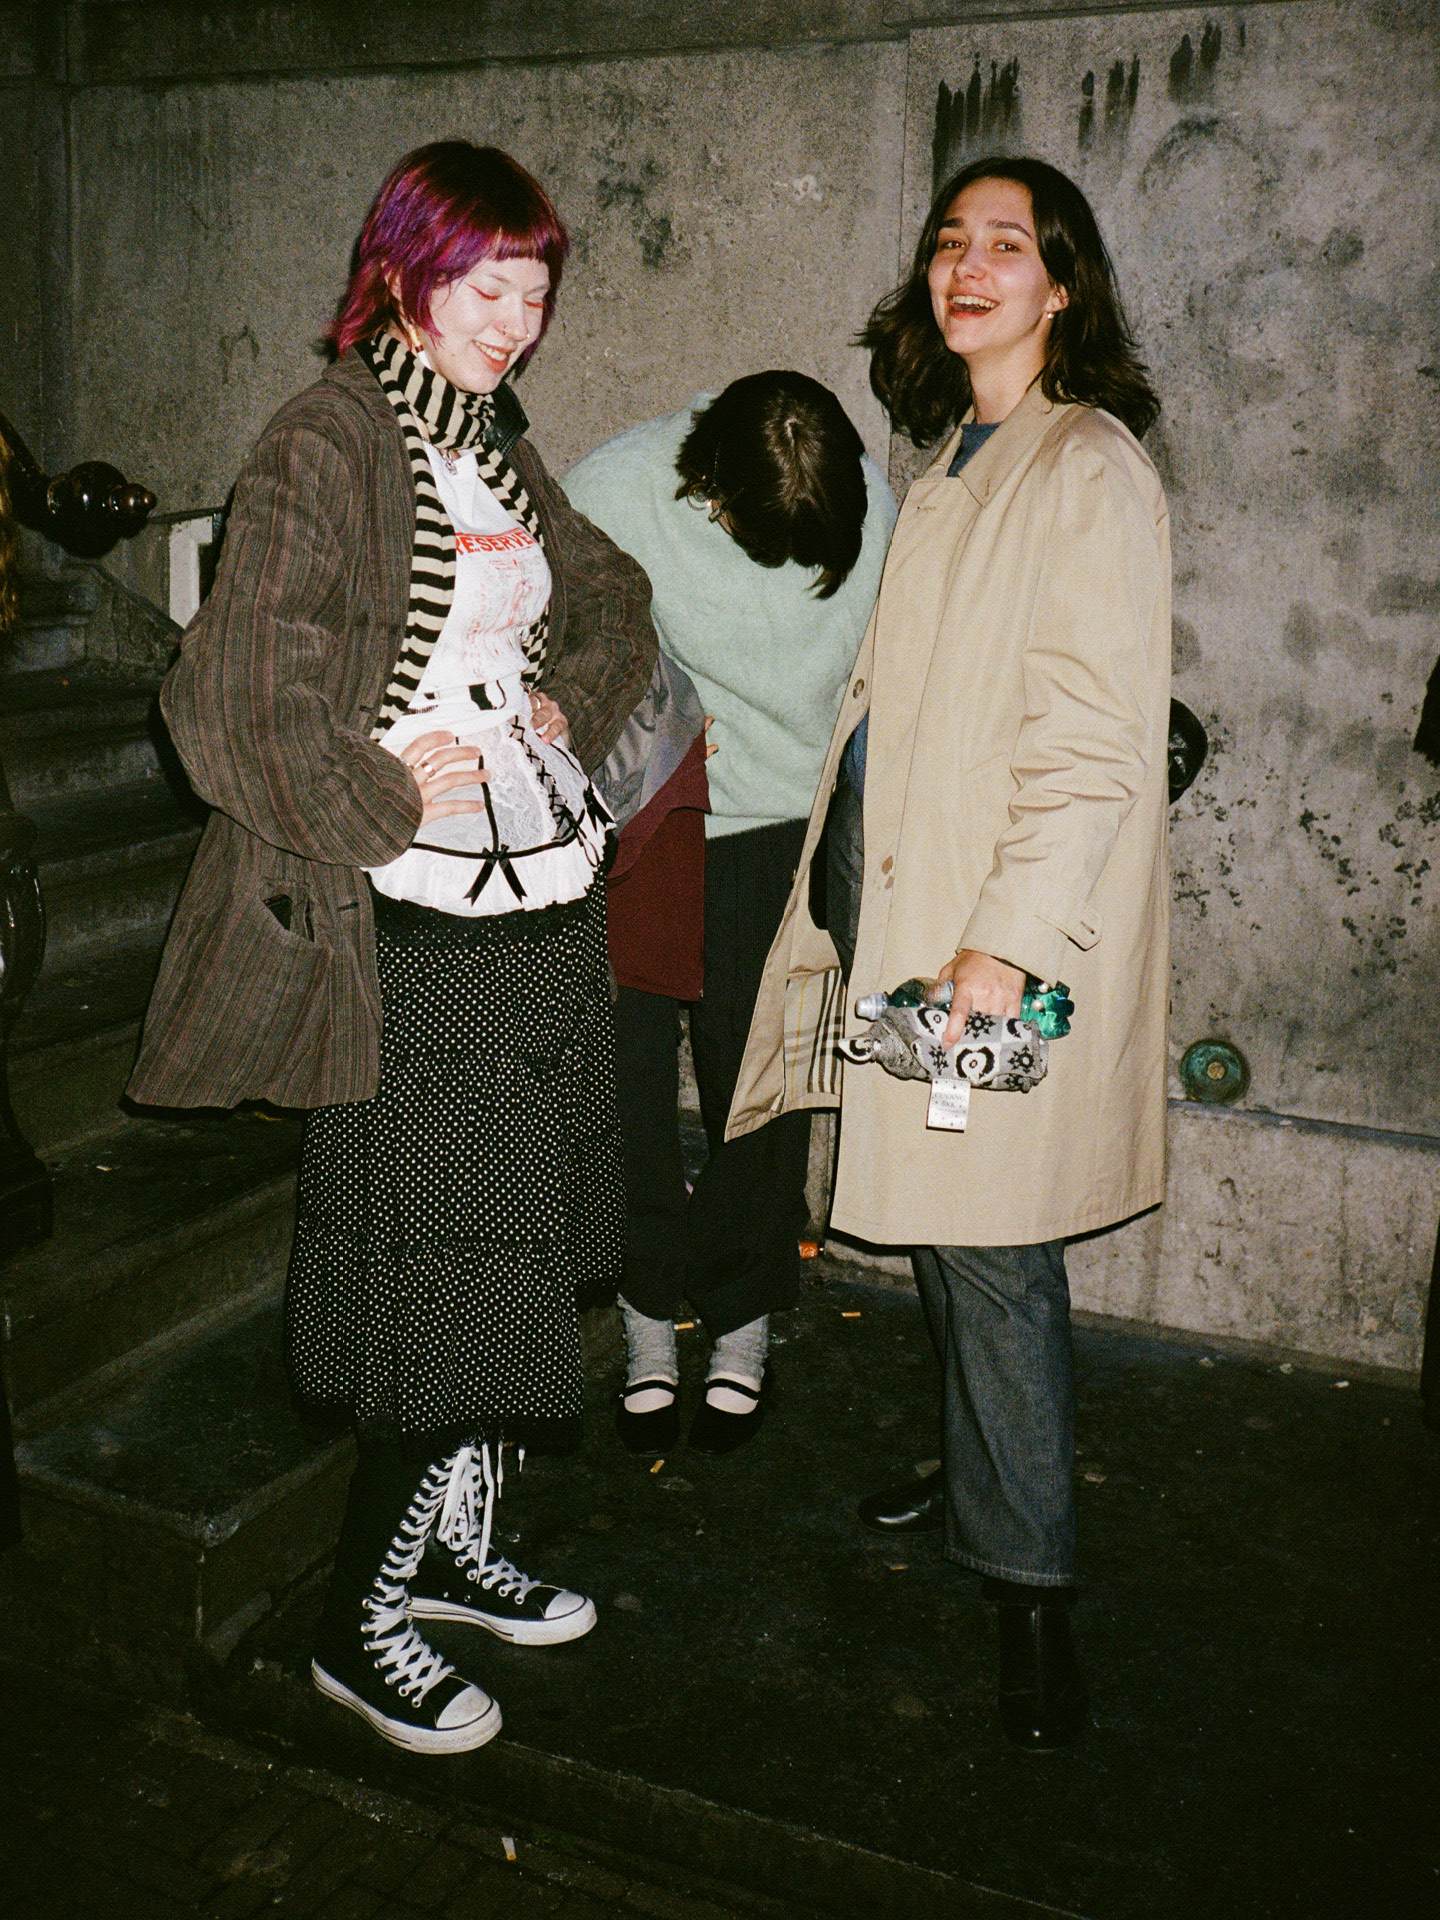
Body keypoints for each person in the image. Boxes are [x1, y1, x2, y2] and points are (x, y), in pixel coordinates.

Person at [127, 142, 656, 1754]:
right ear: (406, 273)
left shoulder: (495, 438)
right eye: (487, 288)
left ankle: (450, 1558)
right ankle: (359, 1626)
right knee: (450, 1281)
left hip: (543, 900)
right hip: (420, 927)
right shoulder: (329, 439)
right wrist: (374, 787)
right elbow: (221, 695)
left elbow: (617, 593)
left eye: (537, 294)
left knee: (521, 1250)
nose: (515, 322)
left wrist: (569, 696)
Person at [727, 158, 1170, 1748]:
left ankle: (1032, 1589)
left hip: (979, 942)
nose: (966, 266)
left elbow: (1096, 747)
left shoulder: (1085, 464)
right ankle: (980, 1469)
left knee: (991, 1252)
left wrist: (1003, 947)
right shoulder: (952, 455)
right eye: (948, 241)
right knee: (938, 1220)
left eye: (1007, 245)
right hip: (895, 915)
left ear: (1064, 284)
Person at [564, 374, 896, 1454]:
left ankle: (743, 1313)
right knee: (622, 1078)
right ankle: (645, 1307)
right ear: (709, 492)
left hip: (782, 827)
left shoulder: (864, 498)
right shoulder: (615, 491)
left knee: (762, 1086)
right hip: (647, 819)